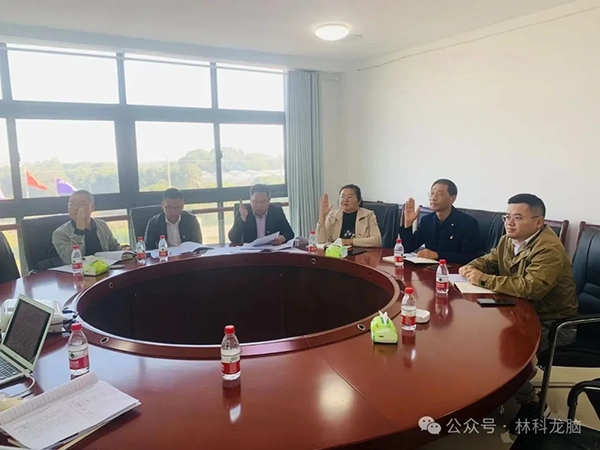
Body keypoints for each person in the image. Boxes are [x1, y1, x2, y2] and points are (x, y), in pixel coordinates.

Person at [460, 193, 578, 432]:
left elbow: (531, 288)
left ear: (538, 222)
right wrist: (471, 267)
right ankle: (492, 390)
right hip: (516, 312)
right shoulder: (508, 240)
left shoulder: (549, 249)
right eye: (507, 217)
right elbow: (489, 260)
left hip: (552, 323)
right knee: (471, 337)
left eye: (517, 217)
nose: (509, 223)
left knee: (500, 354)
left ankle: (533, 403)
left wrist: (483, 279)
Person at [400, 179, 479, 264]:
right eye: (432, 193)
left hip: (454, 270)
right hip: (429, 268)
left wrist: (438, 255)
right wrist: (408, 223)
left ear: (452, 199)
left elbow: (469, 257)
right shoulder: (427, 221)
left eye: (439, 194)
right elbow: (407, 248)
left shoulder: (468, 223)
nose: (433, 198)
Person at [52, 190, 129, 264]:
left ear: (92, 207)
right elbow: (69, 260)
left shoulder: (101, 224)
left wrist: (124, 249)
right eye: (72, 204)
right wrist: (79, 231)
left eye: (81, 204)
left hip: (104, 268)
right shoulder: (60, 233)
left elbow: (114, 247)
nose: (75, 208)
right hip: (78, 271)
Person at [316, 184, 381, 247]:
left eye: (349, 197)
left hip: (361, 252)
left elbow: (377, 241)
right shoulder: (333, 215)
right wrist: (322, 215)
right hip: (337, 252)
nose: (345, 200)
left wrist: (349, 241)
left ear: (359, 201)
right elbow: (321, 241)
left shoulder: (368, 215)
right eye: (342, 196)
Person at [228, 184, 294, 245]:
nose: (259, 206)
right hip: (249, 252)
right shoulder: (244, 212)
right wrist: (243, 219)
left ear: (269, 201)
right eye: (255, 202)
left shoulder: (276, 212)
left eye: (263, 202)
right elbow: (233, 238)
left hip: (271, 250)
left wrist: (282, 238)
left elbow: (289, 233)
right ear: (250, 200)